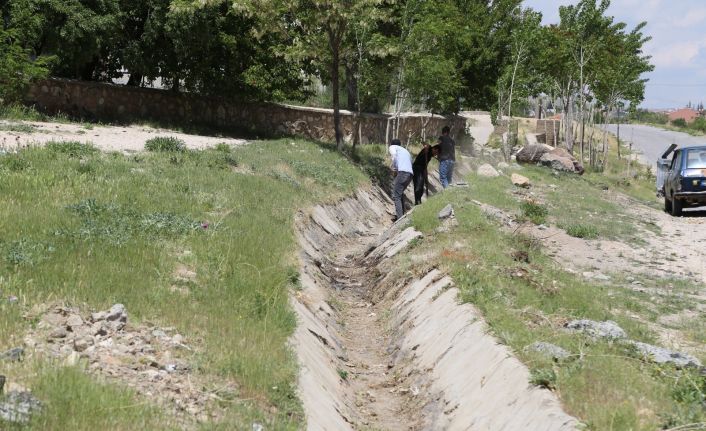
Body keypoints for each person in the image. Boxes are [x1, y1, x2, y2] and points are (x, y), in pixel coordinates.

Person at [388, 139, 413, 221]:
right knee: (400, 193)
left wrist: (393, 168)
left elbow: (394, 157)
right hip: (410, 174)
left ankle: (400, 219)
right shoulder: (406, 151)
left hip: (402, 173)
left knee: (396, 195)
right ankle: (402, 215)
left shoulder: (392, 147)